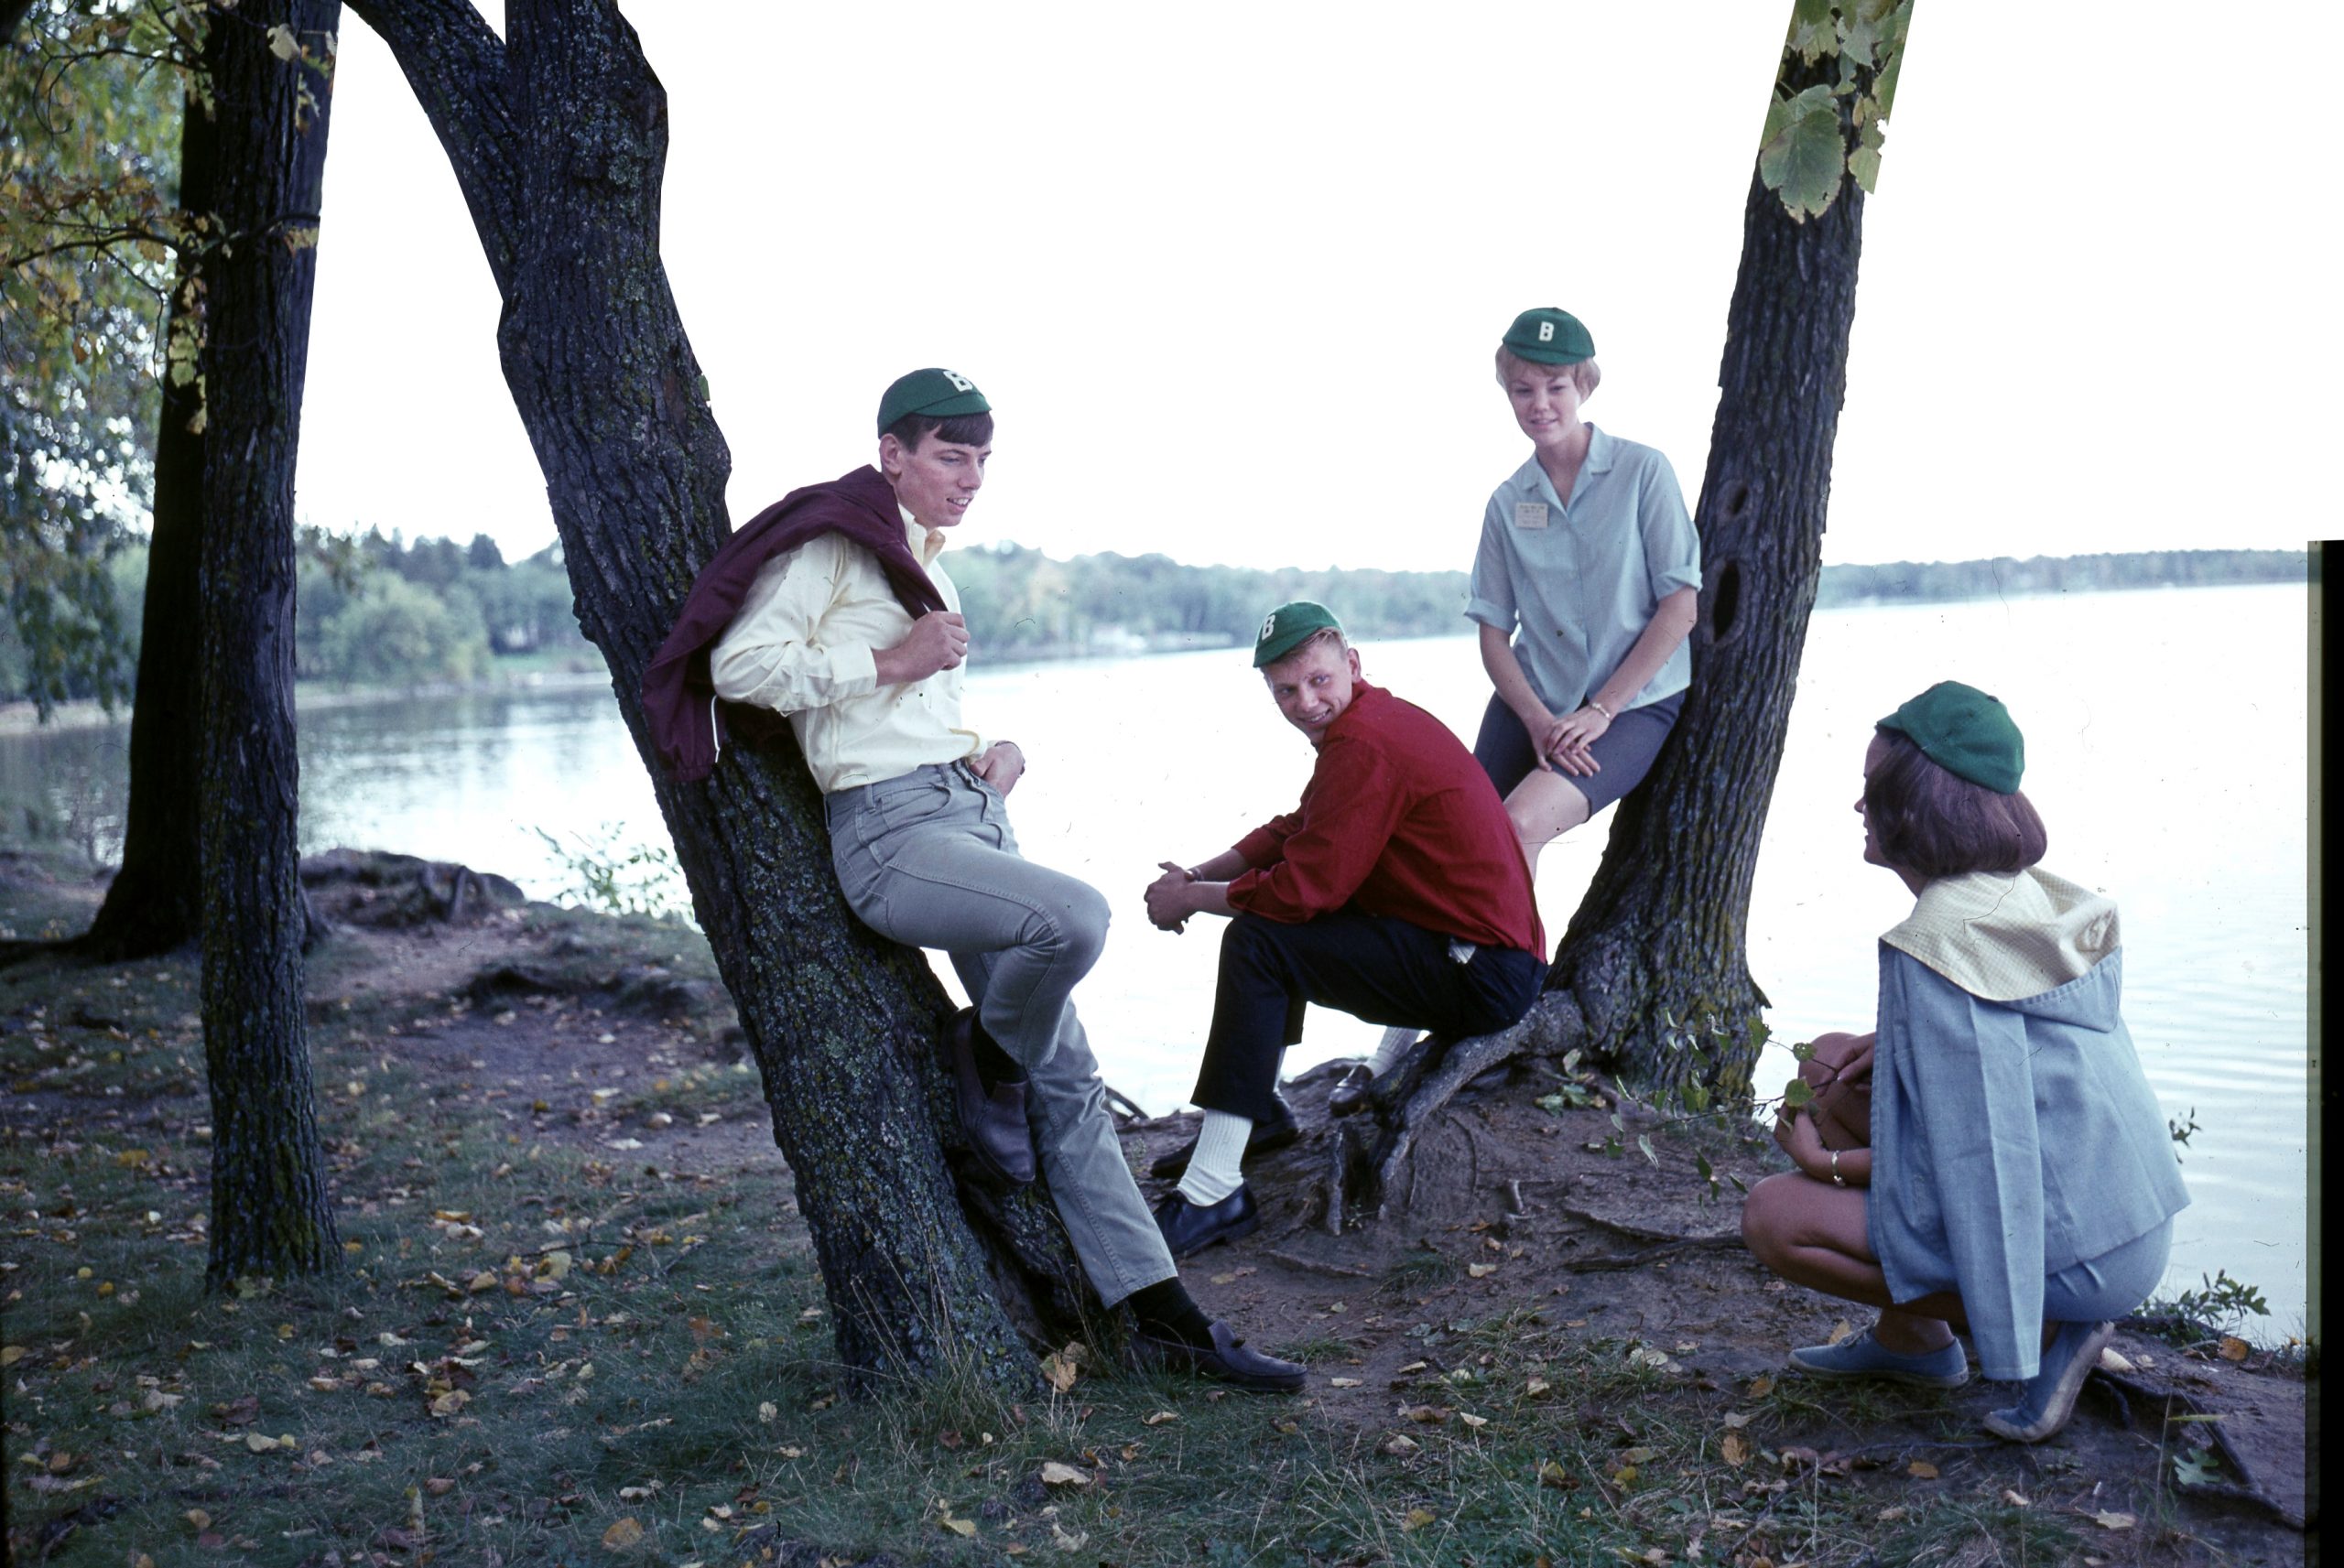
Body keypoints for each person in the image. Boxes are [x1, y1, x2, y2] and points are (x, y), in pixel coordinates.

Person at [640, 369, 1303, 1393]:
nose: (972, 476)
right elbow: (740, 668)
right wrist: (892, 666)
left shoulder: (924, 562)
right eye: (952, 455)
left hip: (966, 811)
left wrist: (987, 751)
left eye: (984, 458)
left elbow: (913, 706)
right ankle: (984, 1053)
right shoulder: (835, 546)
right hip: (890, 837)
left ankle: (1164, 1317)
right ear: (892, 453)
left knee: (1073, 1085)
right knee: (1075, 921)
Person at [1738, 681, 2189, 1444]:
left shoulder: (1938, 947)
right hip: (2126, 1213)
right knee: (1823, 1066)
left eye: (1870, 788)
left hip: (2083, 1256)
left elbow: (1981, 1163)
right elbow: (2015, 1049)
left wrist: (1829, 1164)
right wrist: (1893, 1045)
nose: (1857, 807)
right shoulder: (2027, 893)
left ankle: (2050, 1331)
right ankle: (1911, 1339)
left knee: (1775, 1216)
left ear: (1912, 807)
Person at [1348, 307, 1700, 1107]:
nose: (1538, 402)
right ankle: (1399, 1035)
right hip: (1531, 701)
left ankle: (1502, 1006)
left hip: (1634, 703)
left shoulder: (1644, 472)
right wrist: (1539, 718)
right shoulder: (1509, 502)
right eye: (1520, 388)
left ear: (1585, 384)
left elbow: (1678, 606)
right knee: (1441, 841)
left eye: (1552, 385)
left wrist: (1601, 711)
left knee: (1515, 825)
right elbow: (1493, 634)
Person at [1142, 603, 1546, 1257]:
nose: (1306, 702)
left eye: (1319, 680)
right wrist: (1197, 872)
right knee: (1272, 929)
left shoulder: (1366, 742)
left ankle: (1216, 1189)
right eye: (1286, 691)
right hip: (1476, 957)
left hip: (1485, 975)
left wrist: (1190, 899)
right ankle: (1256, 1116)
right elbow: (1298, 829)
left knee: (1261, 939)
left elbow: (1303, 891)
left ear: (1352, 664)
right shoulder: (1366, 721)